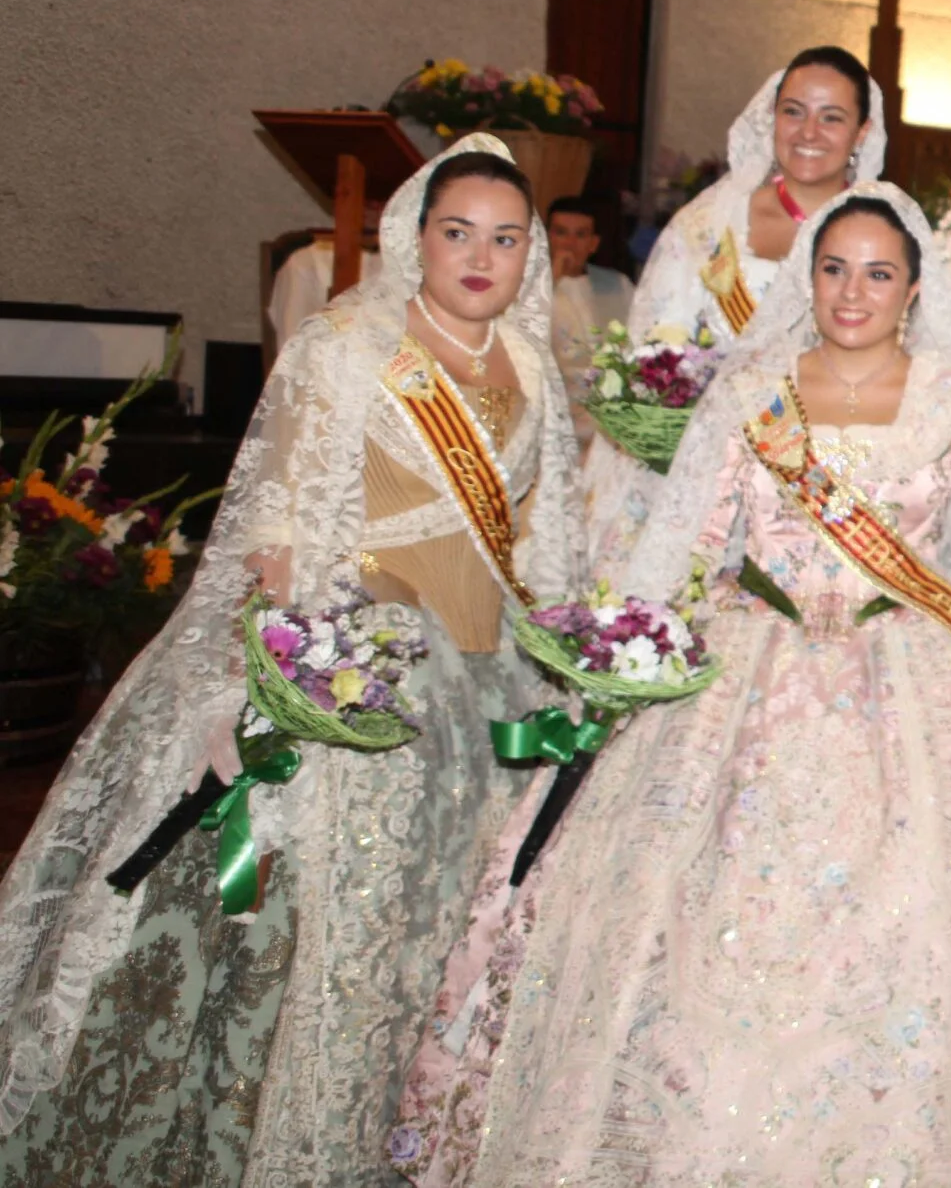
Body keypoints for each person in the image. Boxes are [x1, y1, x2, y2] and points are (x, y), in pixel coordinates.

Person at [388, 185, 951, 1186]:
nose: (852, 292)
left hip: (906, 687)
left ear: (912, 291)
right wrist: (633, 659)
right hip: (749, 670)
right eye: (833, 268)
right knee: (685, 923)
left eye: (878, 273)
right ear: (807, 278)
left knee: (898, 934)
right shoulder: (752, 390)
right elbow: (687, 543)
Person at [0, 136, 581, 1186]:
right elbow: (284, 519)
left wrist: (569, 659)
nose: (481, 258)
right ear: (419, 237)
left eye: (505, 239)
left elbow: (540, 543)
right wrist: (290, 666)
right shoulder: (349, 343)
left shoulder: (532, 363)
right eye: (459, 234)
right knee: (309, 899)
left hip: (485, 673)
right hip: (361, 650)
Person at [581, 46, 885, 578]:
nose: (808, 131)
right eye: (793, 111)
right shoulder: (711, 221)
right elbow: (654, 350)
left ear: (862, 131)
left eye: (831, 117)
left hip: (824, 478)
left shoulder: (886, 231)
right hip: (699, 474)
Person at [543, 195, 633, 445]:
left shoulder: (619, 285)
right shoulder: (528, 289)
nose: (570, 244)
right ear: (547, 237)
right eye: (561, 233)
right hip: (559, 418)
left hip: (616, 417)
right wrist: (553, 277)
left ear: (593, 243)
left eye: (580, 235)